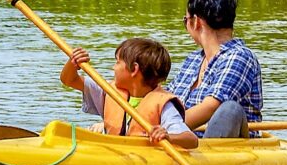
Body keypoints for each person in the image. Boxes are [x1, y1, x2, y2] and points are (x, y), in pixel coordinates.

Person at [172, 0, 264, 139]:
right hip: (182, 143)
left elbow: (211, 107)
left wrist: (167, 128)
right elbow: (167, 101)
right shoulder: (192, 61)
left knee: (230, 110)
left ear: (196, 22)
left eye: (185, 21)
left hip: (225, 150)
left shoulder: (240, 57)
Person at [61, 36, 196, 145]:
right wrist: (72, 64)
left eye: (117, 62)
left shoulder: (164, 104)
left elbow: (191, 139)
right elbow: (69, 80)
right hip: (112, 155)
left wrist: (168, 137)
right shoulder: (110, 91)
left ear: (134, 69)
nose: (113, 67)